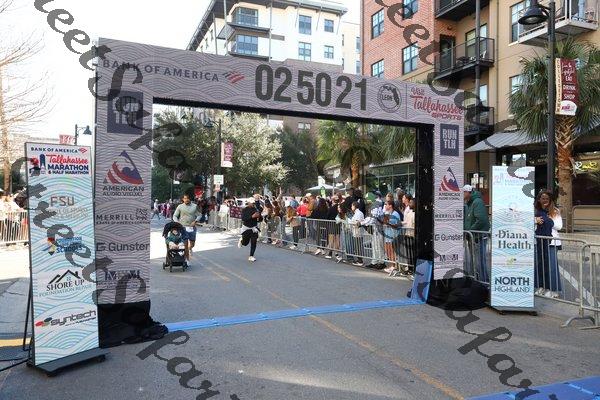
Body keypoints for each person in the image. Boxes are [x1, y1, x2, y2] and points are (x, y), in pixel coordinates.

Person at [535, 190, 562, 298]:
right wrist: (535, 220)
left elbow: (559, 226)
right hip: (539, 242)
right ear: (539, 200)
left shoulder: (555, 211)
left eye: (547, 198)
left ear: (550, 200)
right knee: (540, 266)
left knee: (551, 267)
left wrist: (547, 219)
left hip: (551, 243)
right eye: (543, 198)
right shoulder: (536, 211)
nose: (545, 200)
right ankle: (541, 287)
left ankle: (553, 290)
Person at [463, 184, 490, 282]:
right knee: (475, 261)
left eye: (463, 192)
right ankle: (478, 280)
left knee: (479, 260)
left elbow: (481, 220)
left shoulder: (477, 202)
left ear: (468, 192)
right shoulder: (470, 202)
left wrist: (470, 230)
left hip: (478, 236)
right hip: (474, 236)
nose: (462, 195)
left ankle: (483, 281)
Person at [172, 194, 202, 262]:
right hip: (183, 227)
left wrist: (195, 221)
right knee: (185, 245)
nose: (186, 200)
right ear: (183, 199)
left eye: (187, 198)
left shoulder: (194, 206)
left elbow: (199, 215)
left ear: (190, 199)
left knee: (192, 244)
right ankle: (187, 260)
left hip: (191, 227)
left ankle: (190, 248)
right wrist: (177, 222)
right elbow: (175, 216)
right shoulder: (180, 206)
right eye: (185, 198)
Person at [239, 197, 263, 262]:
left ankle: (251, 256)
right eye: (252, 203)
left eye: (253, 203)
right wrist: (252, 217)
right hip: (246, 228)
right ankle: (241, 241)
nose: (253, 204)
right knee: (245, 243)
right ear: (248, 202)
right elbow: (243, 218)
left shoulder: (256, 209)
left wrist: (259, 216)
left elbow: (260, 219)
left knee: (254, 242)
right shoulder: (244, 209)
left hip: (254, 228)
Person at [381, 200, 402, 275]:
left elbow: (397, 224)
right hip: (387, 234)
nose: (385, 206)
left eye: (386, 204)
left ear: (390, 206)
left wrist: (388, 223)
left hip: (393, 235)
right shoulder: (387, 213)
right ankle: (391, 265)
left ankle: (394, 266)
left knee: (391, 250)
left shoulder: (395, 214)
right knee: (387, 250)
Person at [349, 201, 366, 266]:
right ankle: (359, 259)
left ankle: (360, 260)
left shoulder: (358, 213)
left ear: (354, 206)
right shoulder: (357, 213)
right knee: (357, 245)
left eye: (352, 206)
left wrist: (351, 222)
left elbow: (357, 222)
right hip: (356, 231)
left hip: (358, 231)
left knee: (358, 246)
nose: (351, 207)